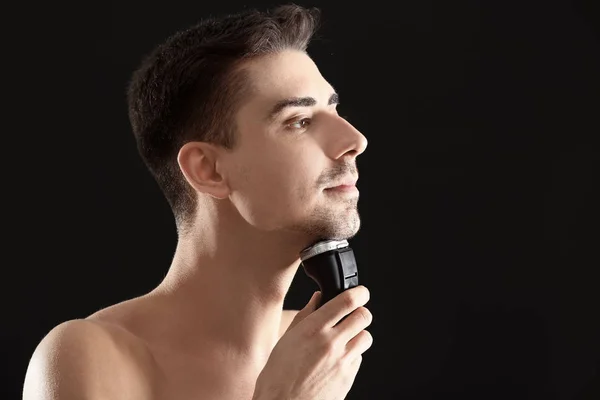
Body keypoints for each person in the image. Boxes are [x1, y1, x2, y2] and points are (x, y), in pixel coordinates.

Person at [23, 4, 372, 399]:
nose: (354, 140)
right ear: (208, 170)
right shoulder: (91, 356)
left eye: (334, 108)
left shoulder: (326, 350)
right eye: (299, 121)